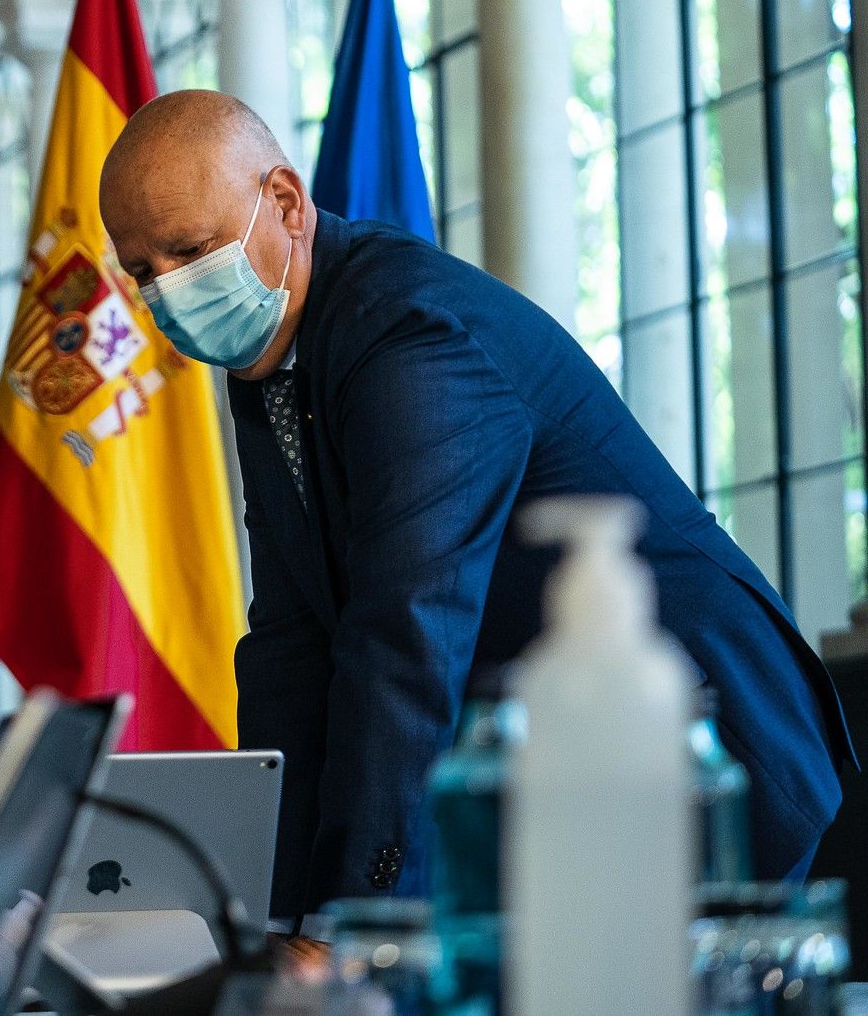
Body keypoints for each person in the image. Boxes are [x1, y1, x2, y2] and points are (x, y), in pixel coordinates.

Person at [98, 90, 853, 927]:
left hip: (697, 753)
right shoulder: (269, 361)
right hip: (561, 776)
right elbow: (292, 646)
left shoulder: (408, 332)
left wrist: (349, 925)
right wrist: (268, 917)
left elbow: (406, 639)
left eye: (190, 249)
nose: (170, 292)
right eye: (143, 271)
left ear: (284, 203)